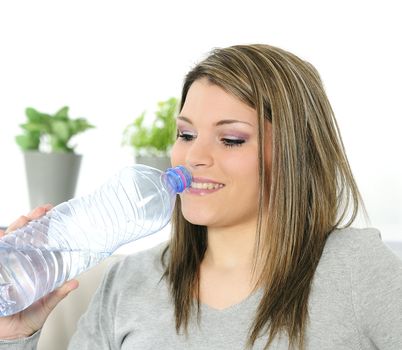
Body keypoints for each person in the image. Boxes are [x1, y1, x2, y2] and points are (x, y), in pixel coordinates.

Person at [1, 44, 401, 350]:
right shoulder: (129, 283)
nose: (193, 157)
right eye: (186, 135)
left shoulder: (356, 270)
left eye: (230, 139)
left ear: (296, 154)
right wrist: (13, 336)